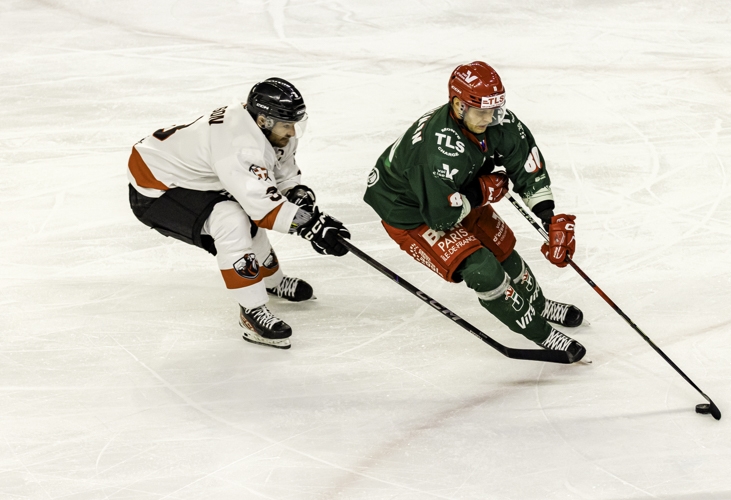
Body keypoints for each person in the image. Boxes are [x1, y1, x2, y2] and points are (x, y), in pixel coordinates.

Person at [363, 61, 586, 360]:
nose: (489, 118)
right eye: (480, 110)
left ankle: (538, 304)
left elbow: (524, 162)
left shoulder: (494, 120)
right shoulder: (436, 149)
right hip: (412, 211)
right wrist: (480, 190)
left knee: (501, 246)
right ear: (457, 105)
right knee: (482, 269)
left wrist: (548, 218)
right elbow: (440, 216)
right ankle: (541, 332)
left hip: (455, 191)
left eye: (494, 109)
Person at [127, 77, 350, 349]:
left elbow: (281, 176)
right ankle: (251, 312)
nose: (292, 132)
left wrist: (298, 196)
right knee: (231, 220)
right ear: (263, 121)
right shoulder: (241, 146)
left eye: (295, 123)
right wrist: (311, 226)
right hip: (157, 187)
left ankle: (271, 281)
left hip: (199, 176)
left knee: (241, 214)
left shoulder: (270, 129)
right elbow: (265, 210)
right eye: (286, 125)